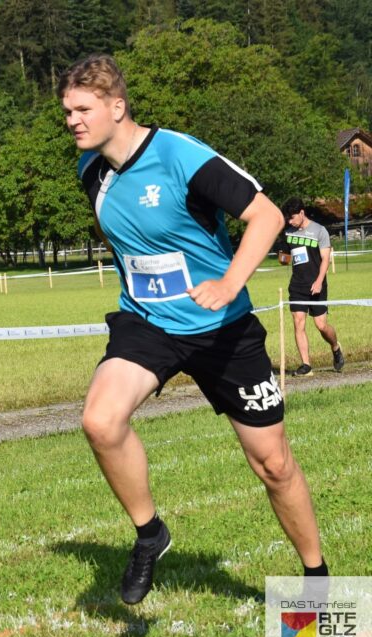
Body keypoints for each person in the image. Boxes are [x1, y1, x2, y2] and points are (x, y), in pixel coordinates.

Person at [59, 54, 327, 605]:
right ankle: (150, 534)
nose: (72, 121)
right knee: (101, 420)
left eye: (82, 109)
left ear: (117, 107)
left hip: (223, 327)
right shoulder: (90, 172)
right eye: (67, 111)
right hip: (148, 324)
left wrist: (229, 283)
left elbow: (268, 217)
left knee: (273, 465)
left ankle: (317, 582)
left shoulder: (181, 155)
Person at [277, 198, 344, 376]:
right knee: (298, 322)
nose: (290, 222)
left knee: (321, 325)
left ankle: (336, 347)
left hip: (317, 285)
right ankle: (306, 365)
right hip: (297, 285)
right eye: (288, 219)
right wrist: (282, 254)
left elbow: (325, 260)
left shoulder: (319, 231)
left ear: (301, 213)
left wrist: (319, 281)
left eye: (292, 218)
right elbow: (284, 260)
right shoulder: (288, 232)